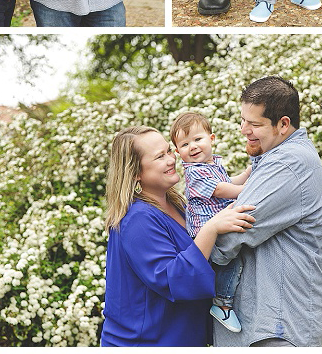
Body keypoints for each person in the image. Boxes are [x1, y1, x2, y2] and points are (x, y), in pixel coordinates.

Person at [102, 125, 254, 346]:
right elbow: (173, 279)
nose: (171, 159)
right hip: (146, 343)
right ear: (135, 172)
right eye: (159, 157)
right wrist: (211, 229)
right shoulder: (137, 220)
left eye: (169, 151)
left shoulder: (177, 204)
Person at [210, 76, 322, 347]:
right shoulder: (272, 159)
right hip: (265, 324)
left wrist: (192, 255)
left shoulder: (288, 163)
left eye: (255, 124)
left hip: (278, 327)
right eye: (242, 120)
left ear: (283, 124)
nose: (244, 130)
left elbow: (232, 233)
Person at [171, 111, 251, 333]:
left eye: (198, 139)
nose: (193, 146)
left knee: (234, 259)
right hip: (206, 232)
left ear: (212, 139)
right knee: (229, 262)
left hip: (218, 223)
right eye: (185, 144)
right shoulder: (194, 172)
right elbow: (221, 189)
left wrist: (247, 174)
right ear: (178, 152)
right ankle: (222, 304)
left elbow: (227, 182)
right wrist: (248, 190)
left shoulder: (212, 164)